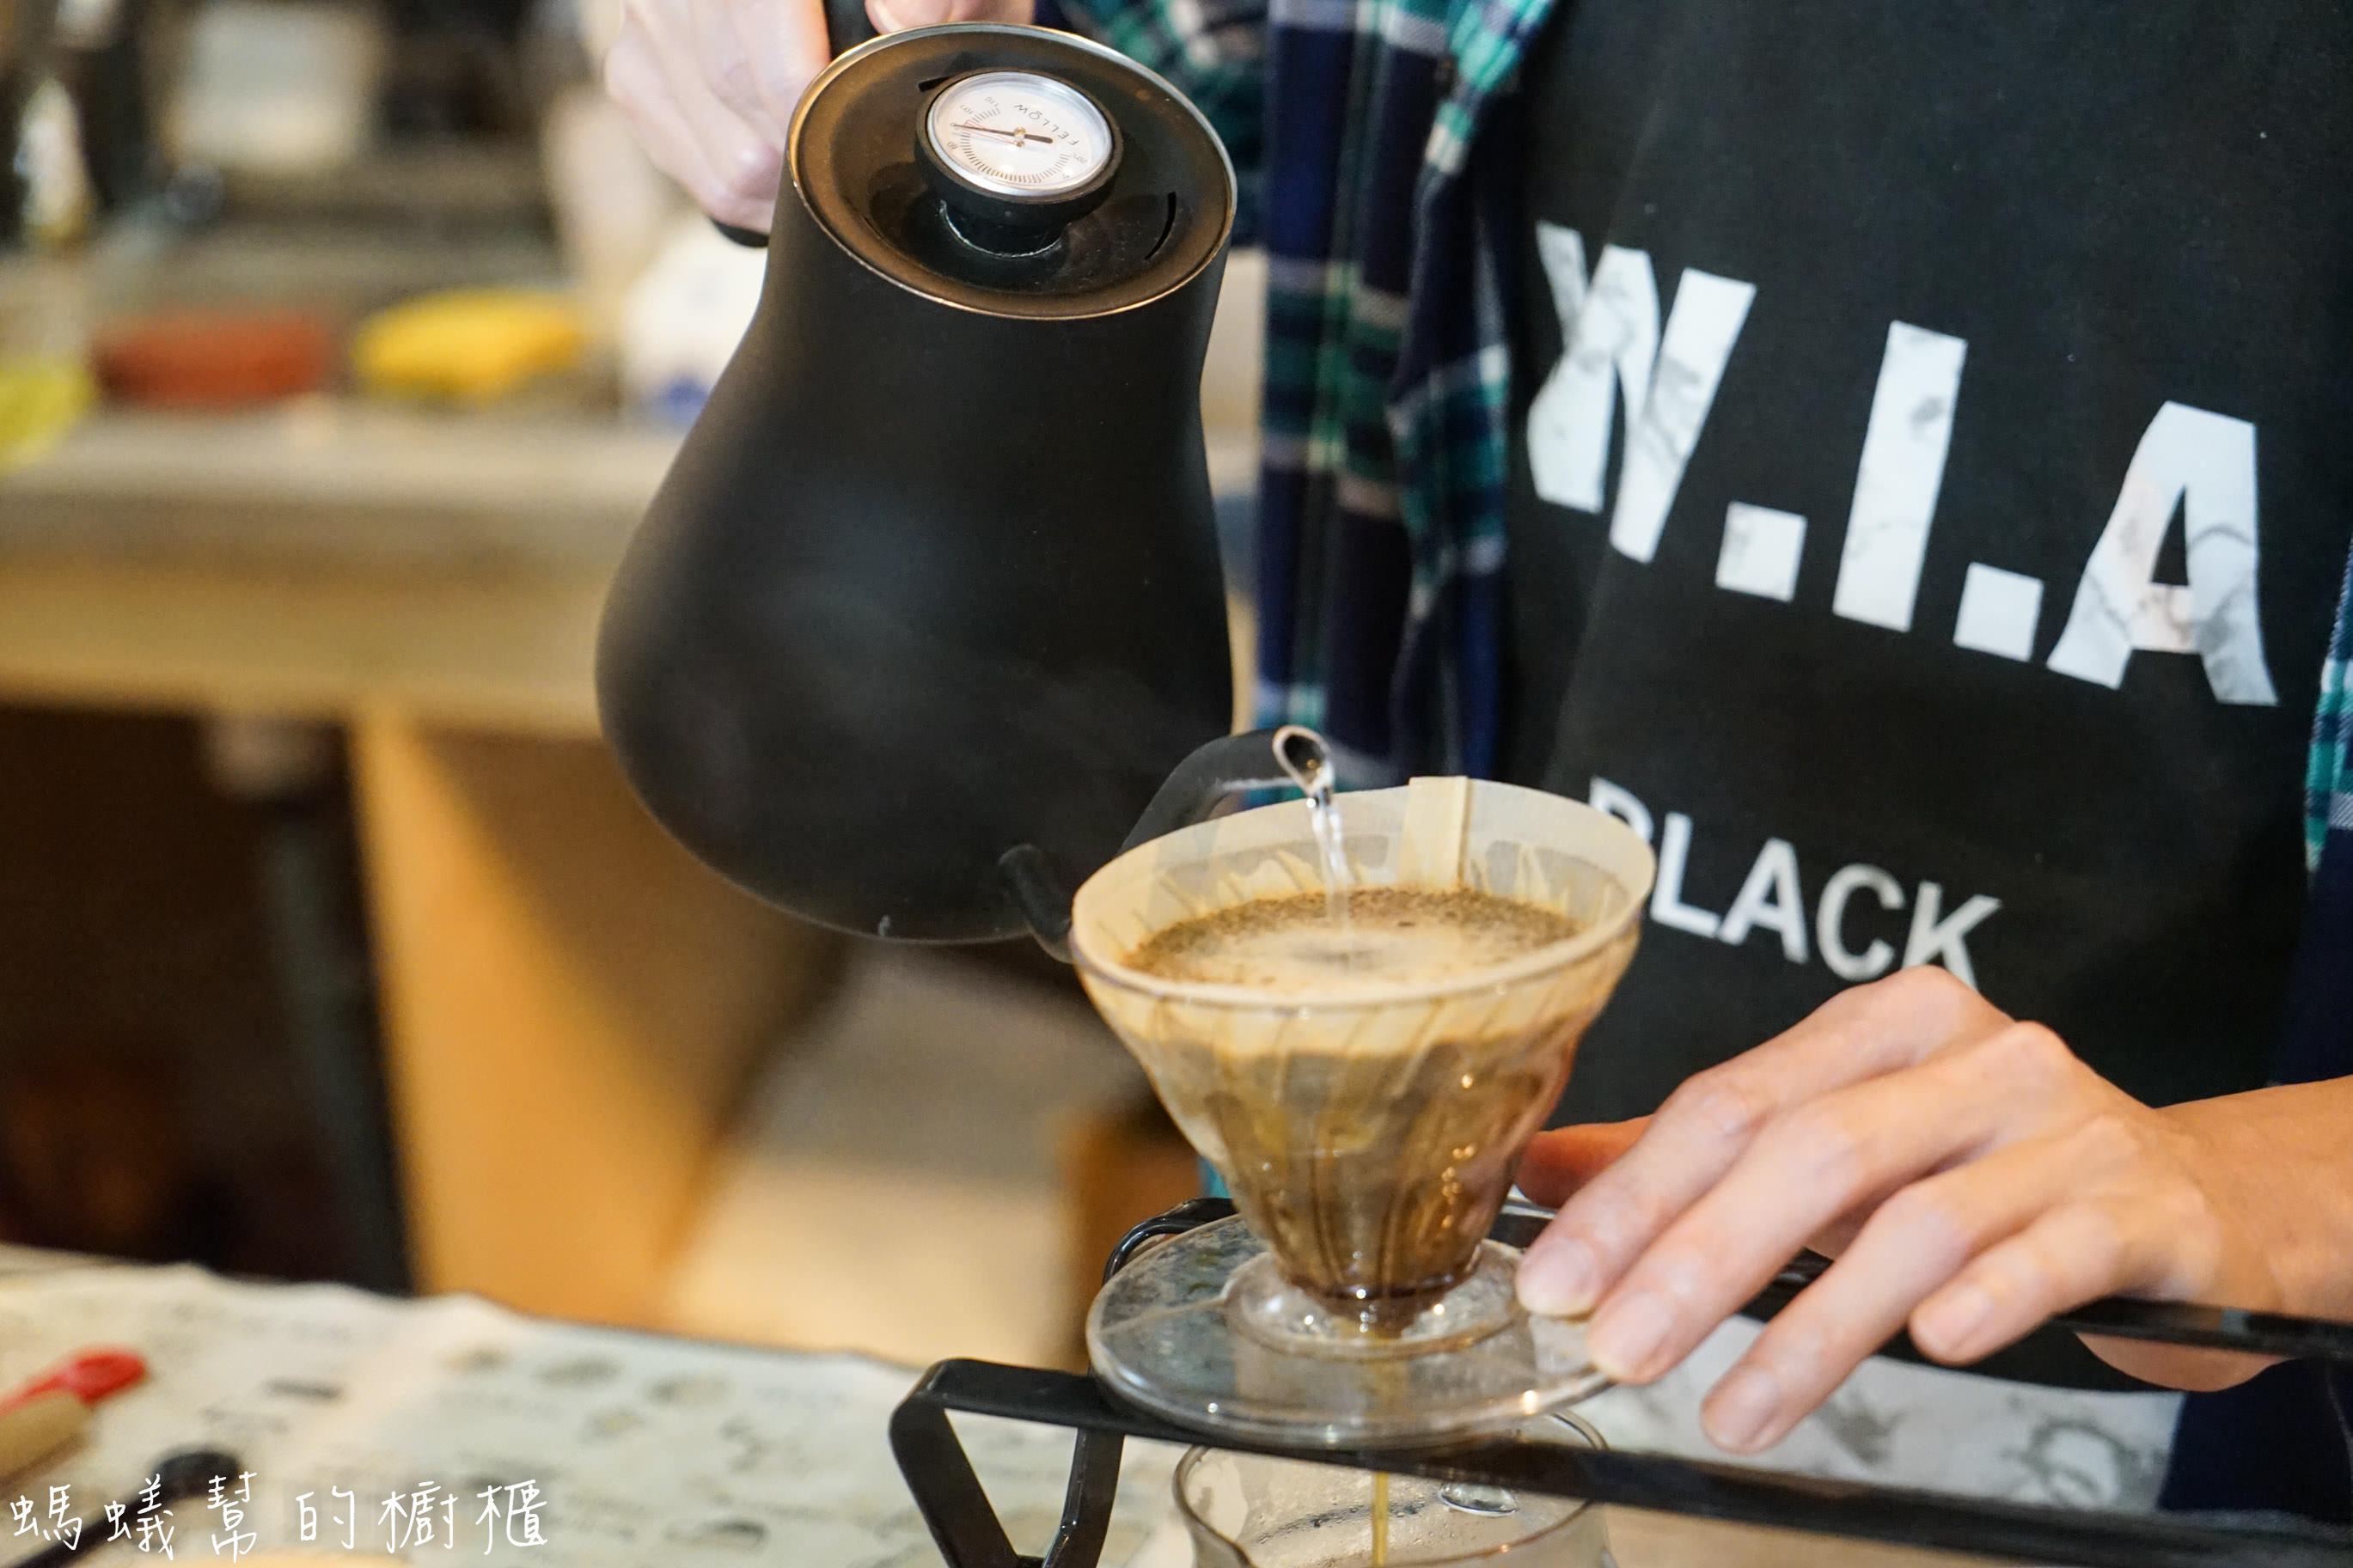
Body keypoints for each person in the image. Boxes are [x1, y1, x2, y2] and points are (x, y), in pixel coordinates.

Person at [605, 0, 2353, 1519]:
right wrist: (818, 53)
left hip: (2197, 1442)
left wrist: (2266, 1188)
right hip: (1483, 1385)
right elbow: (1078, 71)